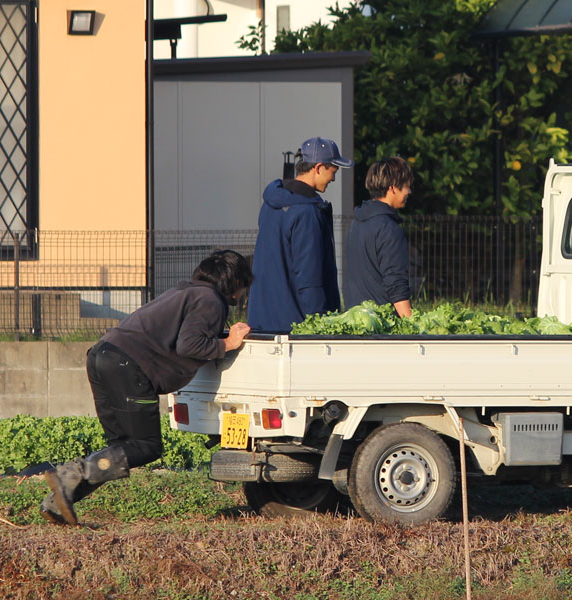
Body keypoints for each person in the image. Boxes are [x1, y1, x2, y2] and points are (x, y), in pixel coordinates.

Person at [41, 249, 252, 525]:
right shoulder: (210, 300)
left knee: (122, 449)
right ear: (236, 282)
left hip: (102, 355)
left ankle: (58, 502)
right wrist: (228, 344)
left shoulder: (184, 291)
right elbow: (190, 345)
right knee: (146, 446)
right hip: (129, 366)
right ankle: (69, 477)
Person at [247, 137, 353, 332]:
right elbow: (309, 277)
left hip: (262, 321)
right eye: (333, 171)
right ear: (318, 167)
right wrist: (321, 326)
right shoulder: (307, 212)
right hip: (295, 328)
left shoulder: (271, 204)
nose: (333, 179)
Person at [344, 157, 414, 316]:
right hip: (382, 323)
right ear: (393, 188)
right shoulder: (389, 228)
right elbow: (396, 283)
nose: (409, 192)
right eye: (406, 186)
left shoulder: (356, 223)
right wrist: (413, 324)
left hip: (355, 319)